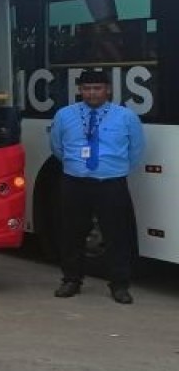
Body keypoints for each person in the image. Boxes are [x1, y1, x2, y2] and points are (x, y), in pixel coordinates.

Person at [49, 69, 145, 304]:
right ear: (80, 91)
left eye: (97, 88)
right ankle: (71, 280)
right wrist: (76, 166)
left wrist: (112, 169)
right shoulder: (64, 115)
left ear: (108, 90)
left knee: (117, 235)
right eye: (87, 89)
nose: (92, 93)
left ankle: (119, 285)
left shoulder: (126, 117)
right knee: (71, 233)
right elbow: (57, 148)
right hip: (75, 183)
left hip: (111, 184)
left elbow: (136, 150)